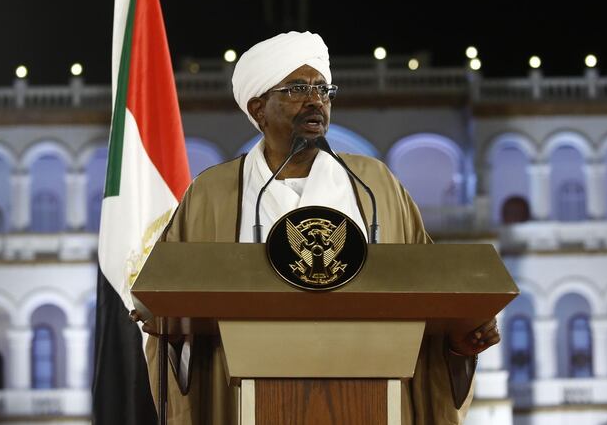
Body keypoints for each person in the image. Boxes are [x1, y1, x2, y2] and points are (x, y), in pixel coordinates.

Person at [144, 31, 500, 425]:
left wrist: (457, 344)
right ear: (258, 108)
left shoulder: (375, 185)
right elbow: (170, 313)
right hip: (242, 402)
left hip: (370, 400)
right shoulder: (213, 194)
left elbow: (429, 293)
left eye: (323, 90)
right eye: (297, 88)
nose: (316, 101)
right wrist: (168, 330)